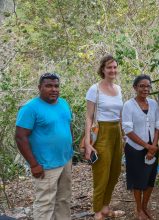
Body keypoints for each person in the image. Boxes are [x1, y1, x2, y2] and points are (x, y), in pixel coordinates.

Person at [15, 73, 73, 219]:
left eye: (56, 86)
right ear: (39, 87)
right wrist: (33, 164)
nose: (53, 89)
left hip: (65, 160)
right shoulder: (30, 108)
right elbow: (20, 137)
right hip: (45, 165)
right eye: (49, 86)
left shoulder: (63, 103)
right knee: (45, 204)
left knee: (64, 199)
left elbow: (67, 126)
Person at [84, 55, 124, 219]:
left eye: (114, 67)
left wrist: (124, 136)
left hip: (117, 132)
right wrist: (87, 142)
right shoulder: (95, 89)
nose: (112, 70)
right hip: (101, 132)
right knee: (101, 174)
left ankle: (106, 207)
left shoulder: (119, 89)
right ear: (103, 69)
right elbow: (88, 117)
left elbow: (120, 115)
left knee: (115, 173)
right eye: (109, 67)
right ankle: (98, 212)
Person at [122, 74, 159, 220]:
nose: (145, 89)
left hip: (153, 147)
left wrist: (154, 146)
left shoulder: (154, 104)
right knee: (137, 179)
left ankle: (145, 207)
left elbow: (157, 126)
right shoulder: (128, 105)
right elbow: (128, 130)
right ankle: (139, 210)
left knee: (150, 179)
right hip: (135, 149)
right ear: (135, 88)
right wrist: (147, 146)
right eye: (142, 86)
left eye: (148, 86)